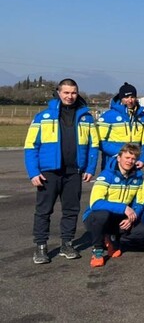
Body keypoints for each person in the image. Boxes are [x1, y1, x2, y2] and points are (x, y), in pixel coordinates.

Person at [25, 78, 99, 264]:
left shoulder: (86, 117)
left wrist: (90, 168)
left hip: (73, 172)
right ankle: (41, 247)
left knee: (71, 210)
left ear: (77, 93)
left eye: (73, 92)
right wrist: (33, 172)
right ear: (58, 93)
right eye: (66, 92)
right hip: (48, 172)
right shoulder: (43, 117)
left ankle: (67, 243)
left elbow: (93, 145)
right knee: (43, 210)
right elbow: (30, 146)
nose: (70, 96)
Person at [83, 143, 144, 267]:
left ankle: (112, 239)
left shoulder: (138, 178)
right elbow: (95, 203)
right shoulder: (106, 175)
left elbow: (139, 201)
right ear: (118, 158)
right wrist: (124, 208)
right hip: (96, 218)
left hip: (118, 217)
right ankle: (98, 249)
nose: (130, 161)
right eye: (127, 158)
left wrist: (132, 216)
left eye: (133, 159)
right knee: (102, 215)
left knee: (143, 231)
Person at [97, 82, 144, 169]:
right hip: (113, 162)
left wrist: (143, 159)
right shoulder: (108, 116)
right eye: (126, 97)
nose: (130, 100)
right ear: (121, 98)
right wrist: (121, 154)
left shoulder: (142, 116)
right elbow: (100, 141)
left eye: (132, 97)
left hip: (134, 162)